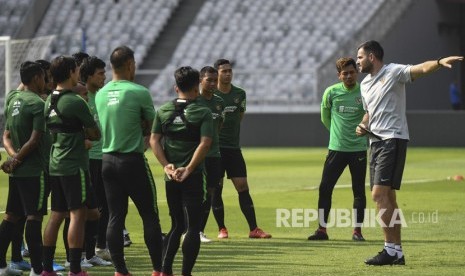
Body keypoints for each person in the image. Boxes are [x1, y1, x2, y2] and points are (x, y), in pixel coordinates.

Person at [355, 40, 463, 266]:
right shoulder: (364, 84)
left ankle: (389, 250)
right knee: (389, 198)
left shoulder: (393, 72)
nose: (358, 61)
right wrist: (363, 125)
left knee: (377, 195)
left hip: (392, 139)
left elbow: (420, 69)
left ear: (372, 57)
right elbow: (369, 113)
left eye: (360, 57)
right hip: (374, 143)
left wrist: (440, 62)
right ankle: (396, 252)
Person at [95, 45, 163, 276]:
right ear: (130, 64)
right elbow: (154, 127)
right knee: (149, 214)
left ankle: (121, 271)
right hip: (132, 160)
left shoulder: (101, 94)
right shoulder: (138, 92)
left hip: (107, 160)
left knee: (115, 215)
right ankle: (157, 269)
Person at [150, 66, 212, 276]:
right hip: (192, 176)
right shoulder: (202, 112)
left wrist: (166, 165)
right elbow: (205, 143)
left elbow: (154, 141)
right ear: (197, 87)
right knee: (192, 227)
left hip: (170, 177)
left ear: (176, 87)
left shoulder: (163, 110)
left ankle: (165, 271)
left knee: (176, 224)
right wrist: (189, 168)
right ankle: (186, 273)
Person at [42, 55, 101, 276]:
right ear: (69, 73)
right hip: (74, 164)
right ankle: (75, 269)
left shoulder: (49, 100)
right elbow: (95, 133)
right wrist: (85, 135)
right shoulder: (75, 101)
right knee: (77, 214)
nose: (78, 73)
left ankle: (46, 268)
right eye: (76, 69)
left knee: (56, 214)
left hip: (55, 163)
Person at [308, 57, 367, 241]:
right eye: (345, 73)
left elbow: (370, 115)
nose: (349, 76)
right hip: (337, 149)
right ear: (339, 75)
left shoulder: (364, 92)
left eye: (352, 72)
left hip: (358, 149)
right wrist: (337, 134)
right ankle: (322, 230)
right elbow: (325, 118)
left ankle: (357, 232)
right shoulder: (331, 92)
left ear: (356, 73)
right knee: (325, 188)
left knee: (358, 191)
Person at [213, 59, 271, 239]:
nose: (228, 74)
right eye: (224, 71)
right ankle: (222, 228)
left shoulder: (240, 94)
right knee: (217, 188)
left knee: (242, 186)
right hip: (215, 149)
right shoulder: (211, 95)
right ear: (217, 74)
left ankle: (254, 229)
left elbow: (239, 117)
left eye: (230, 71)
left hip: (233, 147)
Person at [0, 61, 47, 276]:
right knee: (34, 218)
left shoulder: (12, 99)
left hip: (17, 171)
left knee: (11, 217)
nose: (46, 81)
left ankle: (1, 267)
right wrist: (18, 160)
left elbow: (6, 135)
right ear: (37, 77)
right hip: (34, 171)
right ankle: (38, 270)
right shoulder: (38, 103)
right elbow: (35, 139)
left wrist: (12, 158)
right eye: (43, 77)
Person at [78, 56, 113, 265]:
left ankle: (94, 251)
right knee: (85, 208)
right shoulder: (80, 95)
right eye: (100, 73)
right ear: (89, 75)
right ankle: (81, 253)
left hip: (104, 156)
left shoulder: (101, 96)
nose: (104, 76)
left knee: (104, 207)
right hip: (88, 159)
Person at [196, 66, 225, 243]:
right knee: (197, 192)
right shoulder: (195, 101)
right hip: (198, 155)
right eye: (209, 80)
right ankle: (190, 229)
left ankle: (200, 231)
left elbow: (219, 125)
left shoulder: (219, 102)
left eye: (215, 80)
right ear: (201, 80)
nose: (213, 83)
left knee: (211, 192)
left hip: (214, 154)